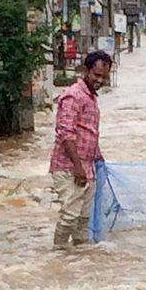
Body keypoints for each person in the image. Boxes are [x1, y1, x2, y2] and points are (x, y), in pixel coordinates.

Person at [49, 50, 113, 248]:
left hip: (88, 168)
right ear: (86, 70)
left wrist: (98, 159)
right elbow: (66, 133)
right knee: (70, 215)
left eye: (104, 77)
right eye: (96, 75)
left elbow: (89, 133)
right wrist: (78, 167)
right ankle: (58, 252)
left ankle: (80, 257)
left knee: (84, 219)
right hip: (69, 167)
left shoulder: (91, 98)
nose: (99, 80)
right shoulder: (73, 96)